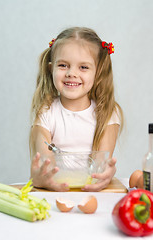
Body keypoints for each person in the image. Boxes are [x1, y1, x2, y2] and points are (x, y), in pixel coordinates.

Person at [29, 27, 123, 192]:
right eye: (63, 65)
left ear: (98, 71)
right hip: (56, 194)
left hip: (93, 194)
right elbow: (46, 163)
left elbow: (101, 166)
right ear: (51, 68)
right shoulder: (46, 112)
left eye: (83, 67)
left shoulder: (107, 113)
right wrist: (39, 178)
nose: (72, 73)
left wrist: (106, 174)